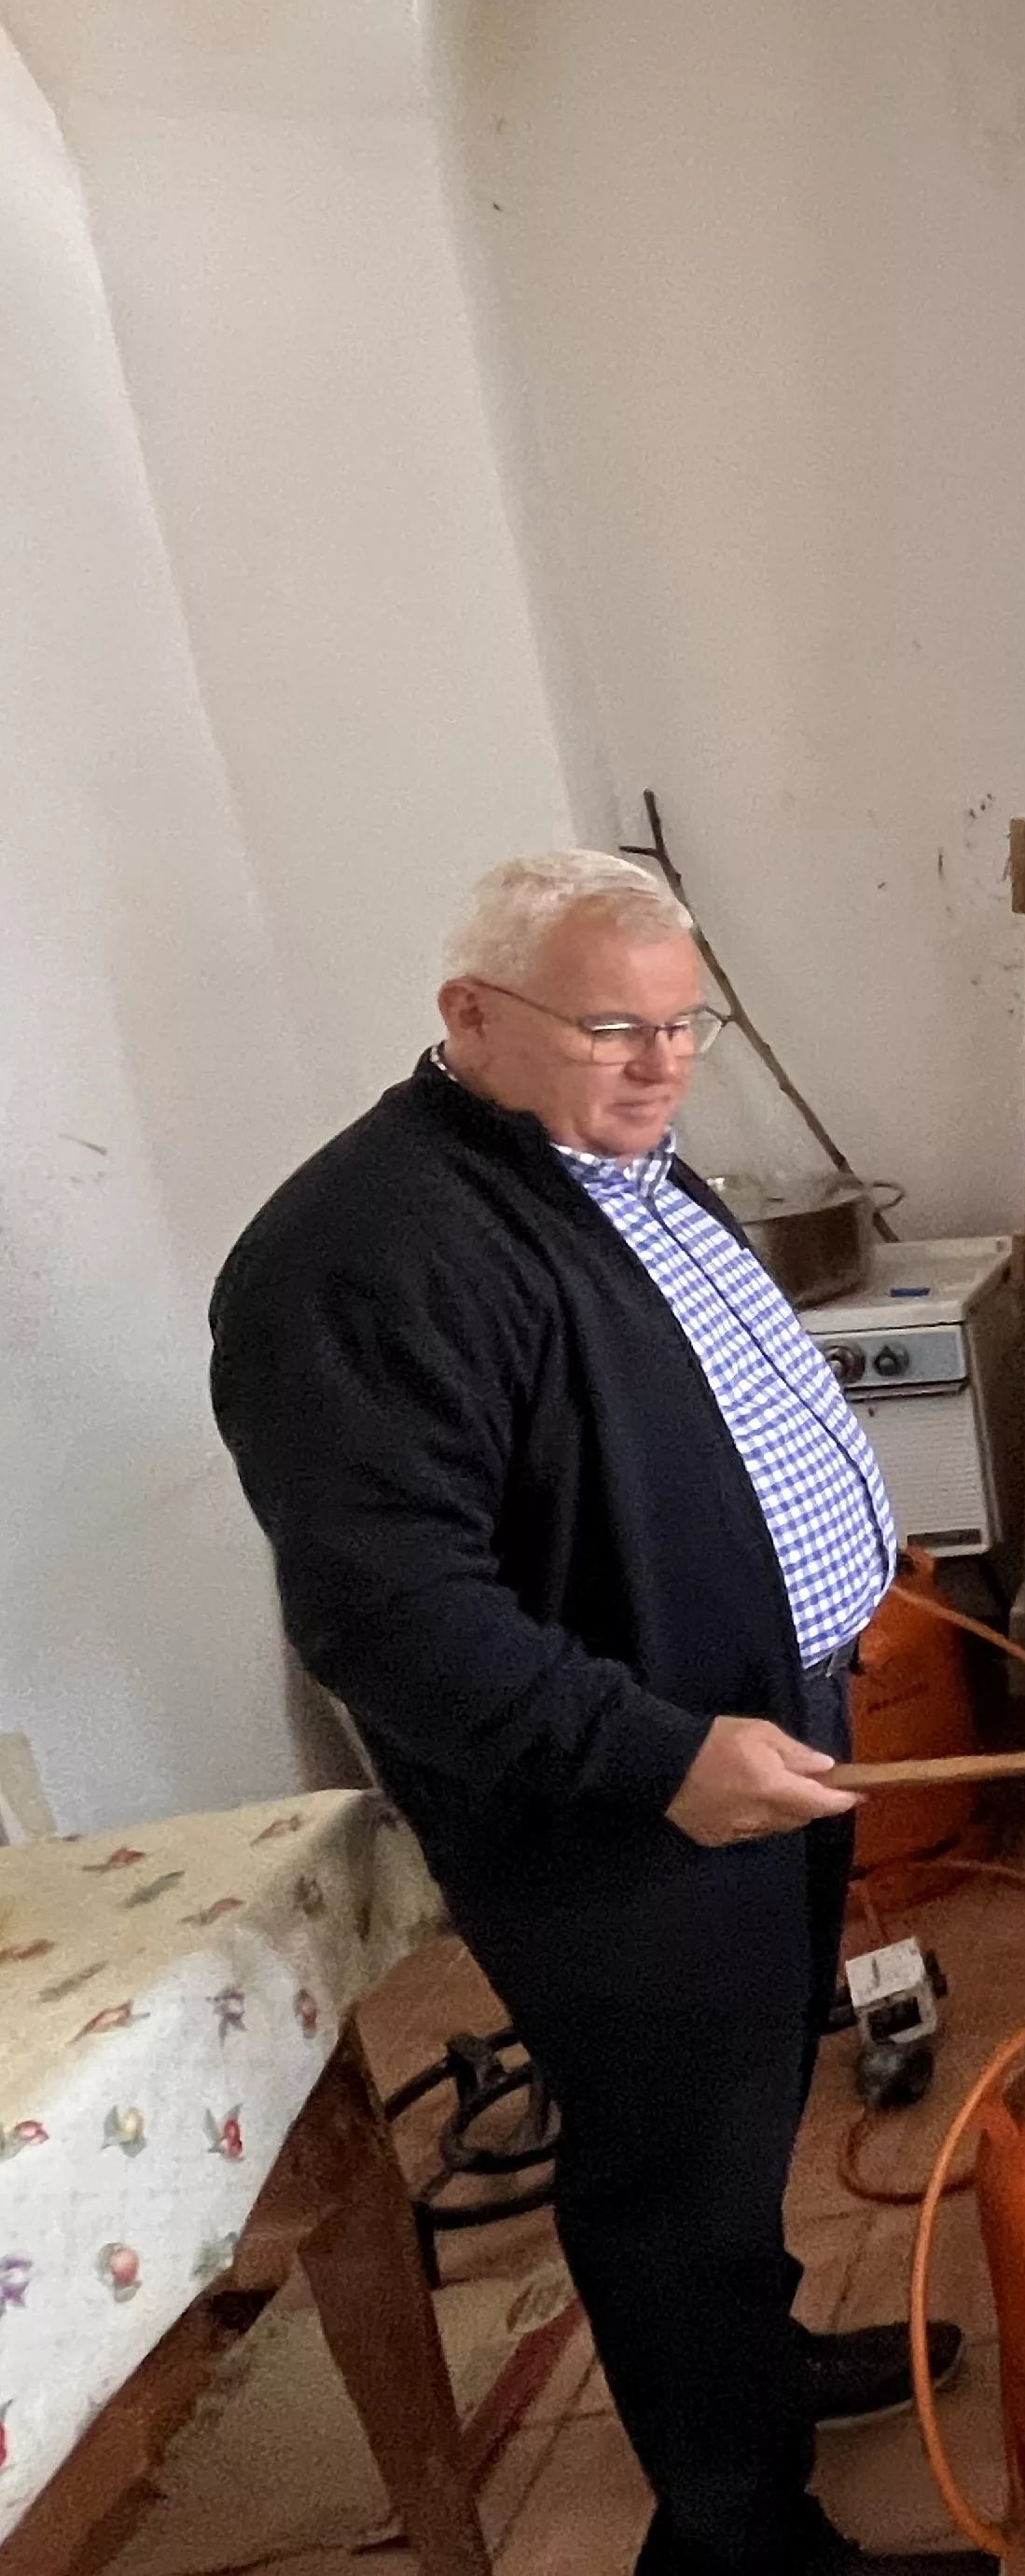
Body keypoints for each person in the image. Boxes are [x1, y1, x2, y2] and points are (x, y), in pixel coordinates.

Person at [207, 853, 980, 2576]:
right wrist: (657, 1753)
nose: (660, 1060)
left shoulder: (608, 1152)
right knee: (668, 2163)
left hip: (754, 1737)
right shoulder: (355, 1253)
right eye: (611, 1026)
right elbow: (391, 1615)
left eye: (683, 1021)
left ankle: (753, 2370)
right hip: (627, 1797)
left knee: (757, 2087)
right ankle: (730, 2530)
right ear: (469, 1017)